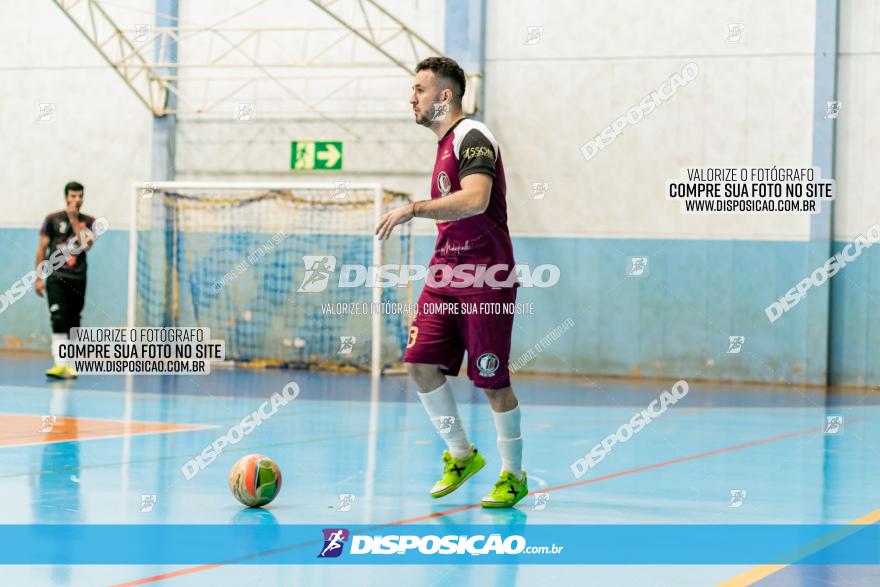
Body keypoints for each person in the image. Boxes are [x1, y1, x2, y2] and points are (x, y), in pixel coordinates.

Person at [375, 56, 526, 508]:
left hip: (486, 276)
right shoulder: (443, 144)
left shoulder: (471, 135)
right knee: (420, 363)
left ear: (445, 96)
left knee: (491, 381)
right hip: (444, 274)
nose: (412, 98)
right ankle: (461, 454)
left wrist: (413, 208)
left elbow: (477, 200)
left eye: (419, 89)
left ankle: (514, 475)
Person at [35, 181, 97, 379]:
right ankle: (59, 364)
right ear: (66, 197)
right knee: (58, 317)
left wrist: (73, 220)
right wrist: (38, 277)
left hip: (78, 277)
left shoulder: (89, 221)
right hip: (56, 277)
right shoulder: (52, 219)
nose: (76, 200)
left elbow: (85, 246)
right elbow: (42, 249)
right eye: (73, 196)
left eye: (80, 196)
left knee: (74, 320)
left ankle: (71, 364)